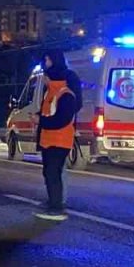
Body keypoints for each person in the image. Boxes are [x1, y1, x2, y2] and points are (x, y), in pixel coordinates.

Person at [35, 62, 79, 221]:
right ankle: (52, 203)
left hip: (60, 141)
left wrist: (40, 120)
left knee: (54, 173)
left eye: (45, 77)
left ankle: (56, 209)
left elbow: (62, 120)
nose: (44, 80)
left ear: (51, 78)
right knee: (49, 172)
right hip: (49, 140)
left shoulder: (65, 95)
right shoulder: (51, 93)